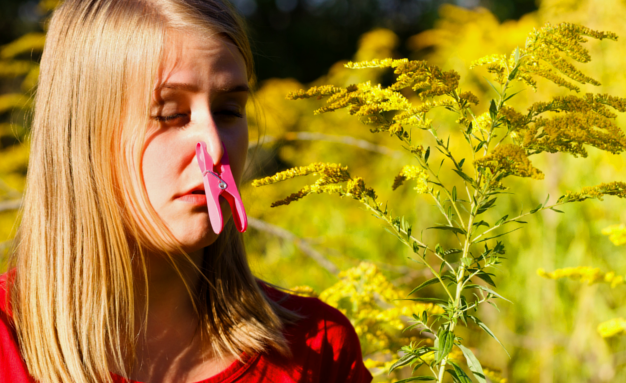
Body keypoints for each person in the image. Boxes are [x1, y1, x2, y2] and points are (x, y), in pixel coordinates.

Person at [0, 0, 373, 382]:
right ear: (81, 133)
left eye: (229, 110)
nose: (213, 148)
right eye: (171, 114)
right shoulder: (7, 346)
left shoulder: (315, 347)